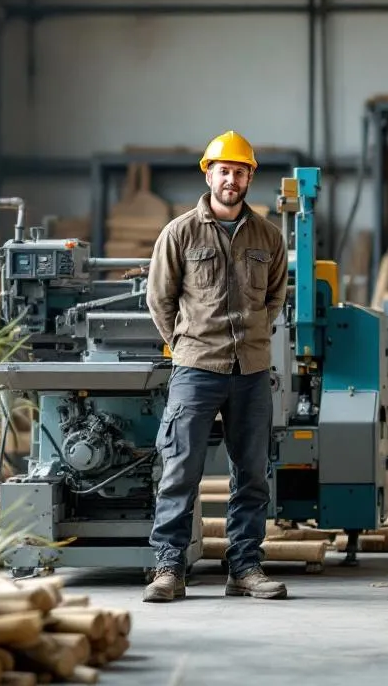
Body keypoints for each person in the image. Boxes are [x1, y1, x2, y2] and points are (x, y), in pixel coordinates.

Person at [143, 130, 290, 603]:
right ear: (209, 174)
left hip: (250, 371)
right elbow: (160, 299)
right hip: (196, 369)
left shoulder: (268, 236)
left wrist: (252, 335)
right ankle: (169, 567)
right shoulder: (180, 232)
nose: (231, 178)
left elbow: (274, 297)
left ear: (250, 177)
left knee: (251, 472)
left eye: (240, 171)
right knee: (180, 469)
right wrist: (187, 343)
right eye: (224, 170)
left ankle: (244, 567)